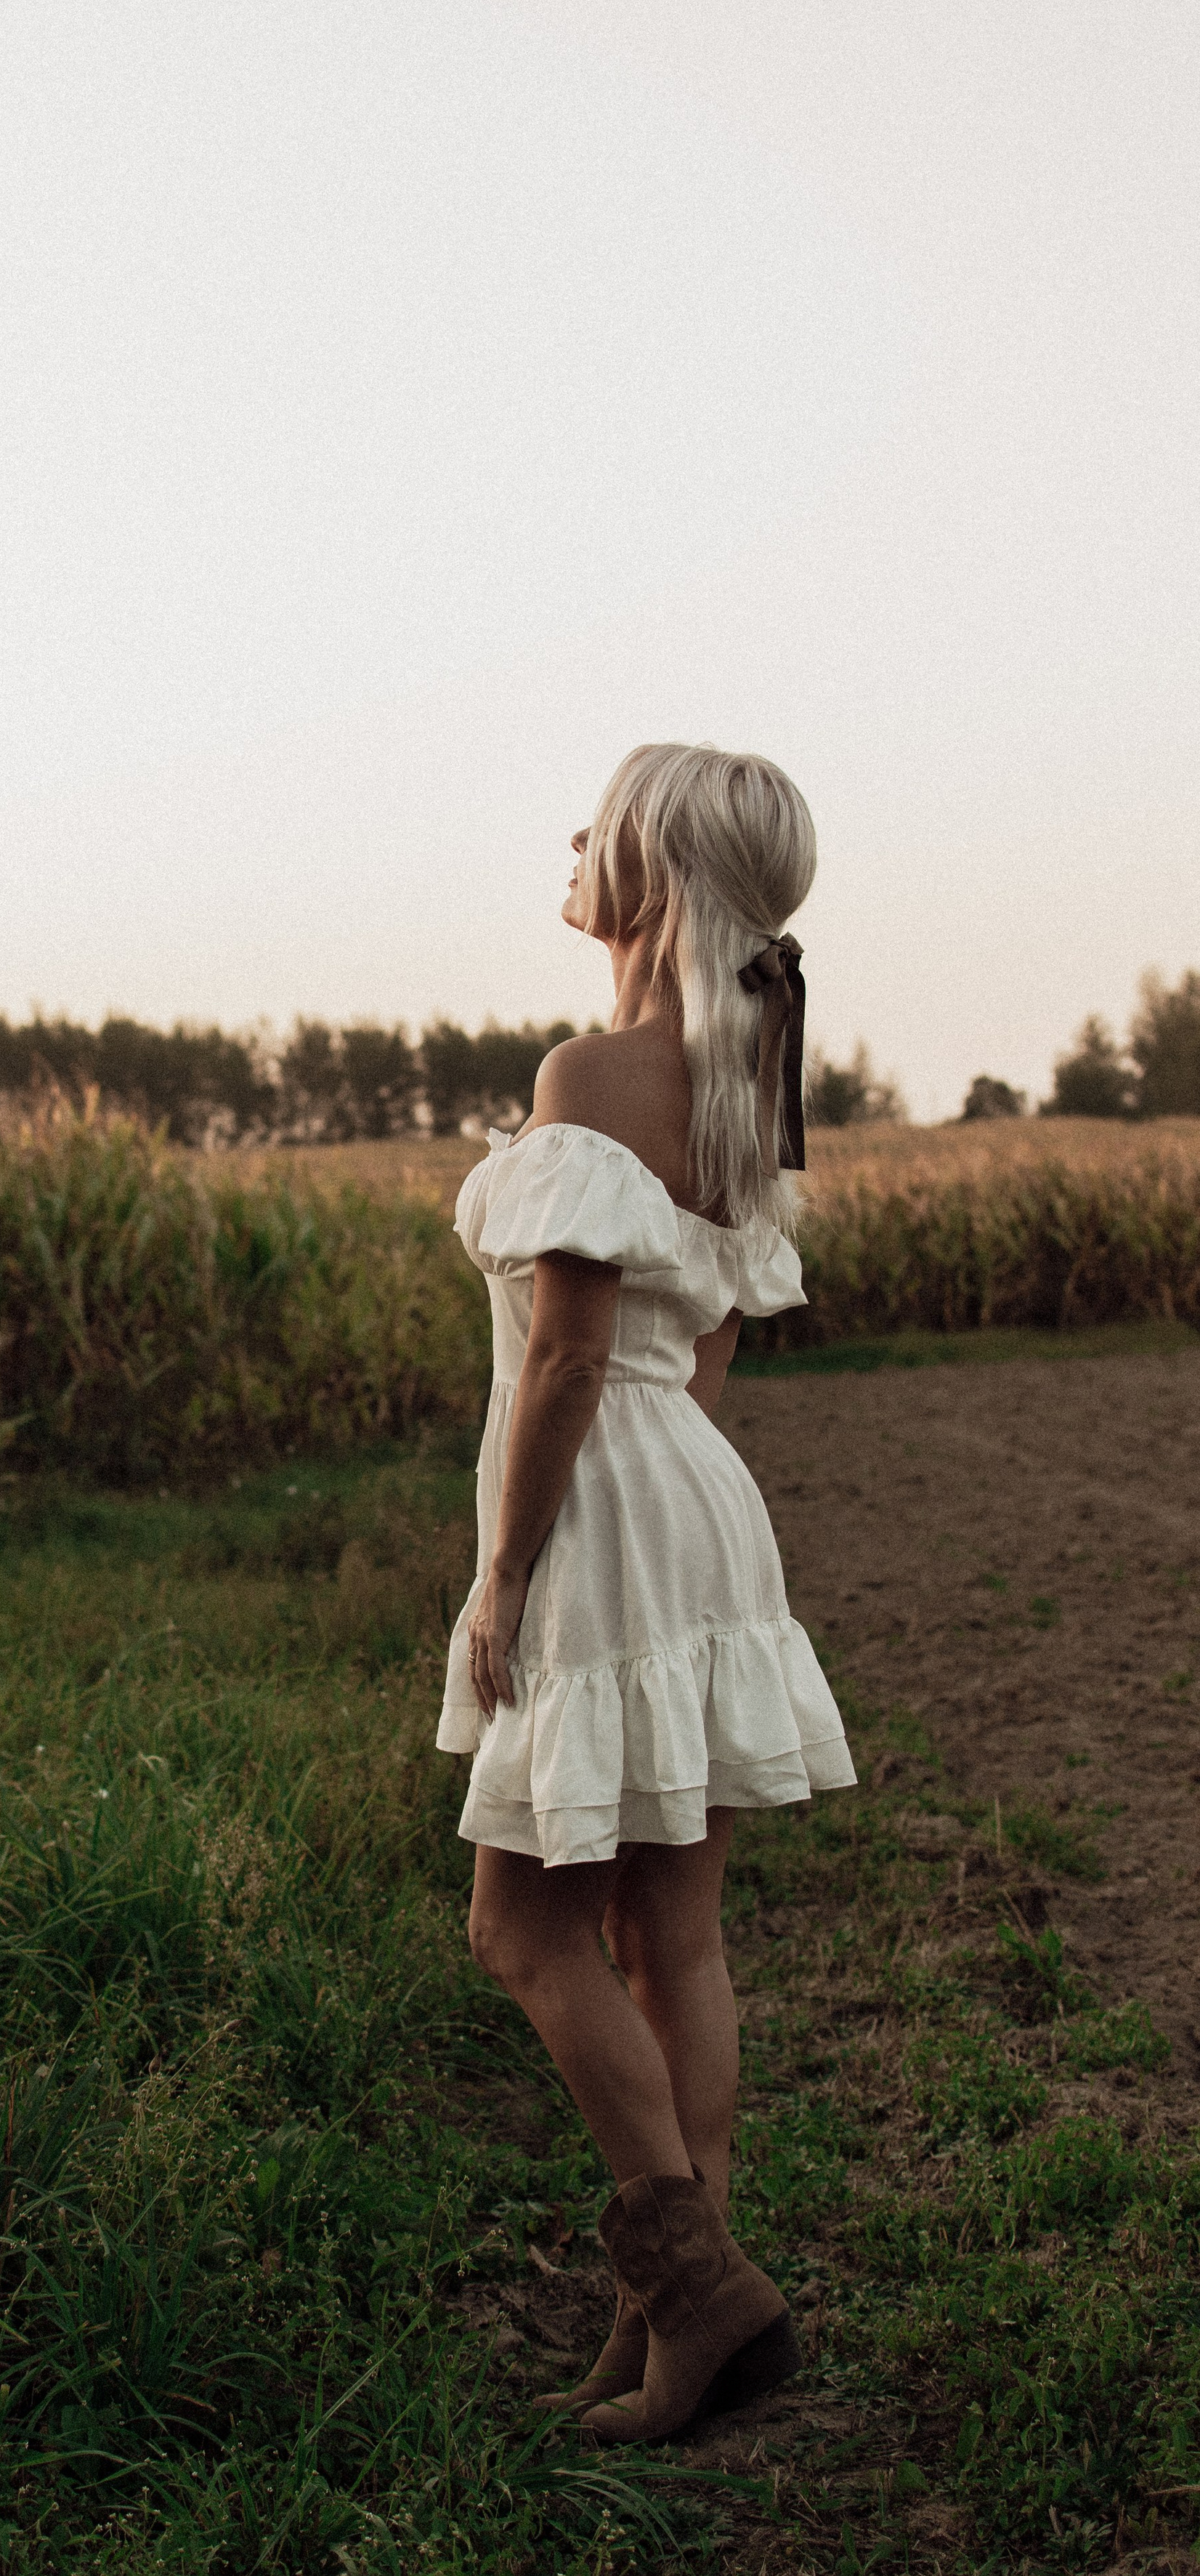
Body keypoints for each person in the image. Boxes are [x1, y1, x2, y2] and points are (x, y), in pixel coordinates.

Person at [437, 741, 854, 2446]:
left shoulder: (584, 1071)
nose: (567, 840)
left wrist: (506, 1575)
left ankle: (698, 2297)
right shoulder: (750, 1089)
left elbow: (565, 1356)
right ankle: (669, 2324)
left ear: (653, 871)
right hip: (696, 1490)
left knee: (519, 1927)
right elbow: (711, 1346)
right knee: (665, 1932)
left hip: (600, 1500)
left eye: (594, 824)